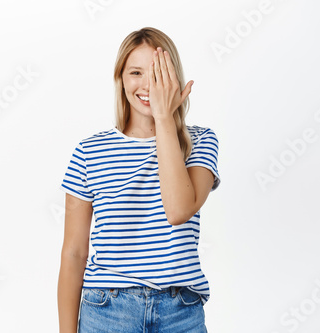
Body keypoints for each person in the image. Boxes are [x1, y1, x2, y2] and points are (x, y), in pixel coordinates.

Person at [57, 27, 221, 333]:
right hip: (107, 311)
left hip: (180, 313)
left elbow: (178, 210)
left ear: (173, 79)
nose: (148, 85)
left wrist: (163, 119)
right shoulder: (89, 151)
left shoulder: (201, 141)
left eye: (158, 74)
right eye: (136, 72)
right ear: (120, 79)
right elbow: (74, 252)